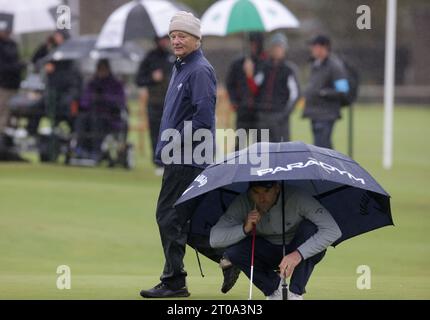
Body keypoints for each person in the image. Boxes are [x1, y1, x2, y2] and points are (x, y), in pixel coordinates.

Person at [140, 11, 222, 299]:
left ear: (196, 39)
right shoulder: (181, 66)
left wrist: (173, 143)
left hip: (188, 156)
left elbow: (203, 118)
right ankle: (229, 258)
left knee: (168, 216)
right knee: (186, 219)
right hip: (182, 155)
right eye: (173, 35)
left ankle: (175, 282)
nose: (176, 40)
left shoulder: (199, 70)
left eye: (182, 35)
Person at [210, 181, 342, 300]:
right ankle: (274, 291)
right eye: (256, 192)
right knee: (234, 252)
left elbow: (333, 230)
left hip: (298, 251)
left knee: (311, 229)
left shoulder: (298, 197)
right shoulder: (243, 202)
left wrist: (298, 254)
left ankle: (295, 293)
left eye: (267, 192)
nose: (262, 199)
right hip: (267, 253)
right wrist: (245, 228)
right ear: (250, 191)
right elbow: (214, 239)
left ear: (277, 188)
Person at [245, 32, 300, 142]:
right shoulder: (264, 67)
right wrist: (249, 75)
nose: (276, 50)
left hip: (279, 119)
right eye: (274, 46)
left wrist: (284, 115)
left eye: (279, 47)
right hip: (263, 117)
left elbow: (295, 95)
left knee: (281, 153)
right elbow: (254, 88)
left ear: (284, 49)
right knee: (262, 154)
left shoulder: (288, 70)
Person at [135, 35, 175, 175]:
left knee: (170, 132)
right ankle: (158, 162)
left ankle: (169, 161)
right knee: (155, 132)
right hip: (154, 102)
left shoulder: (172, 57)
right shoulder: (149, 58)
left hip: (171, 102)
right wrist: (152, 78)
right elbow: (139, 79)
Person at [303, 35, 350, 149]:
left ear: (324, 47)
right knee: (322, 148)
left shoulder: (335, 66)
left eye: (315, 46)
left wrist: (323, 93)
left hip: (326, 114)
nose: (312, 49)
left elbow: (343, 90)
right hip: (315, 113)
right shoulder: (315, 64)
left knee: (322, 149)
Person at [74, 59, 127, 160]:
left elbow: (120, 101)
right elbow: (84, 101)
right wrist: (92, 99)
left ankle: (96, 150)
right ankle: (80, 147)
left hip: (110, 117)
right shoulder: (92, 84)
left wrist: (104, 98)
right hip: (92, 113)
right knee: (82, 119)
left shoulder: (116, 84)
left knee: (97, 121)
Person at [225, 32, 267, 149]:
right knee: (240, 146)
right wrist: (234, 101)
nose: (252, 47)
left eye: (255, 44)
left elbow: (261, 87)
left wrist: (250, 75)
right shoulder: (237, 64)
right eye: (250, 44)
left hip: (259, 113)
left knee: (258, 148)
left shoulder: (265, 64)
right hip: (242, 111)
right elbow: (230, 83)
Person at [0, 22, 26, 161]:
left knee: (11, 119)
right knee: (2, 118)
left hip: (13, 85)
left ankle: (7, 149)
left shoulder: (12, 45)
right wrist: (17, 66)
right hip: (3, 86)